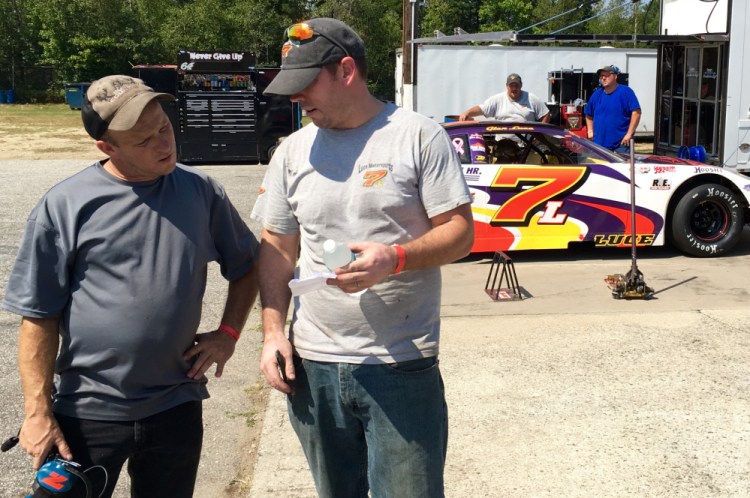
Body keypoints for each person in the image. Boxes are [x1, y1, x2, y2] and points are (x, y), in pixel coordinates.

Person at [2, 75, 260, 497]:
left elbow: (247, 266)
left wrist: (228, 333)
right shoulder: (66, 205)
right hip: (87, 412)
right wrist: (37, 410)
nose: (164, 144)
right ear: (108, 147)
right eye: (145, 140)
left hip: (176, 405)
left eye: (165, 128)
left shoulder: (201, 192)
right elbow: (38, 316)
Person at [252, 18, 474, 498]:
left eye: (306, 84)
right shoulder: (292, 151)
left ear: (346, 70)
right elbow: (275, 249)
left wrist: (394, 258)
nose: (295, 99)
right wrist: (272, 334)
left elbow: (459, 234)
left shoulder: (418, 136)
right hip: (314, 367)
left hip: (399, 365)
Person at [584, 65, 642, 152]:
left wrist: (629, 134)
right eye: (601, 76)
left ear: (615, 76)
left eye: (606, 75)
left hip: (621, 145)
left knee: (621, 166)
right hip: (599, 145)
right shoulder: (596, 94)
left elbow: (636, 112)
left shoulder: (626, 92)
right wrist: (590, 131)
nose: (603, 78)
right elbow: (588, 114)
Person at [458, 73, 550, 123]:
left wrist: (539, 135)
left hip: (526, 146)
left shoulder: (531, 98)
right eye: (511, 86)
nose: (514, 89)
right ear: (507, 86)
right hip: (502, 144)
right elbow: (482, 109)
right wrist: (467, 113)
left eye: (516, 85)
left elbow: (545, 114)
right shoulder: (497, 99)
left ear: (521, 85)